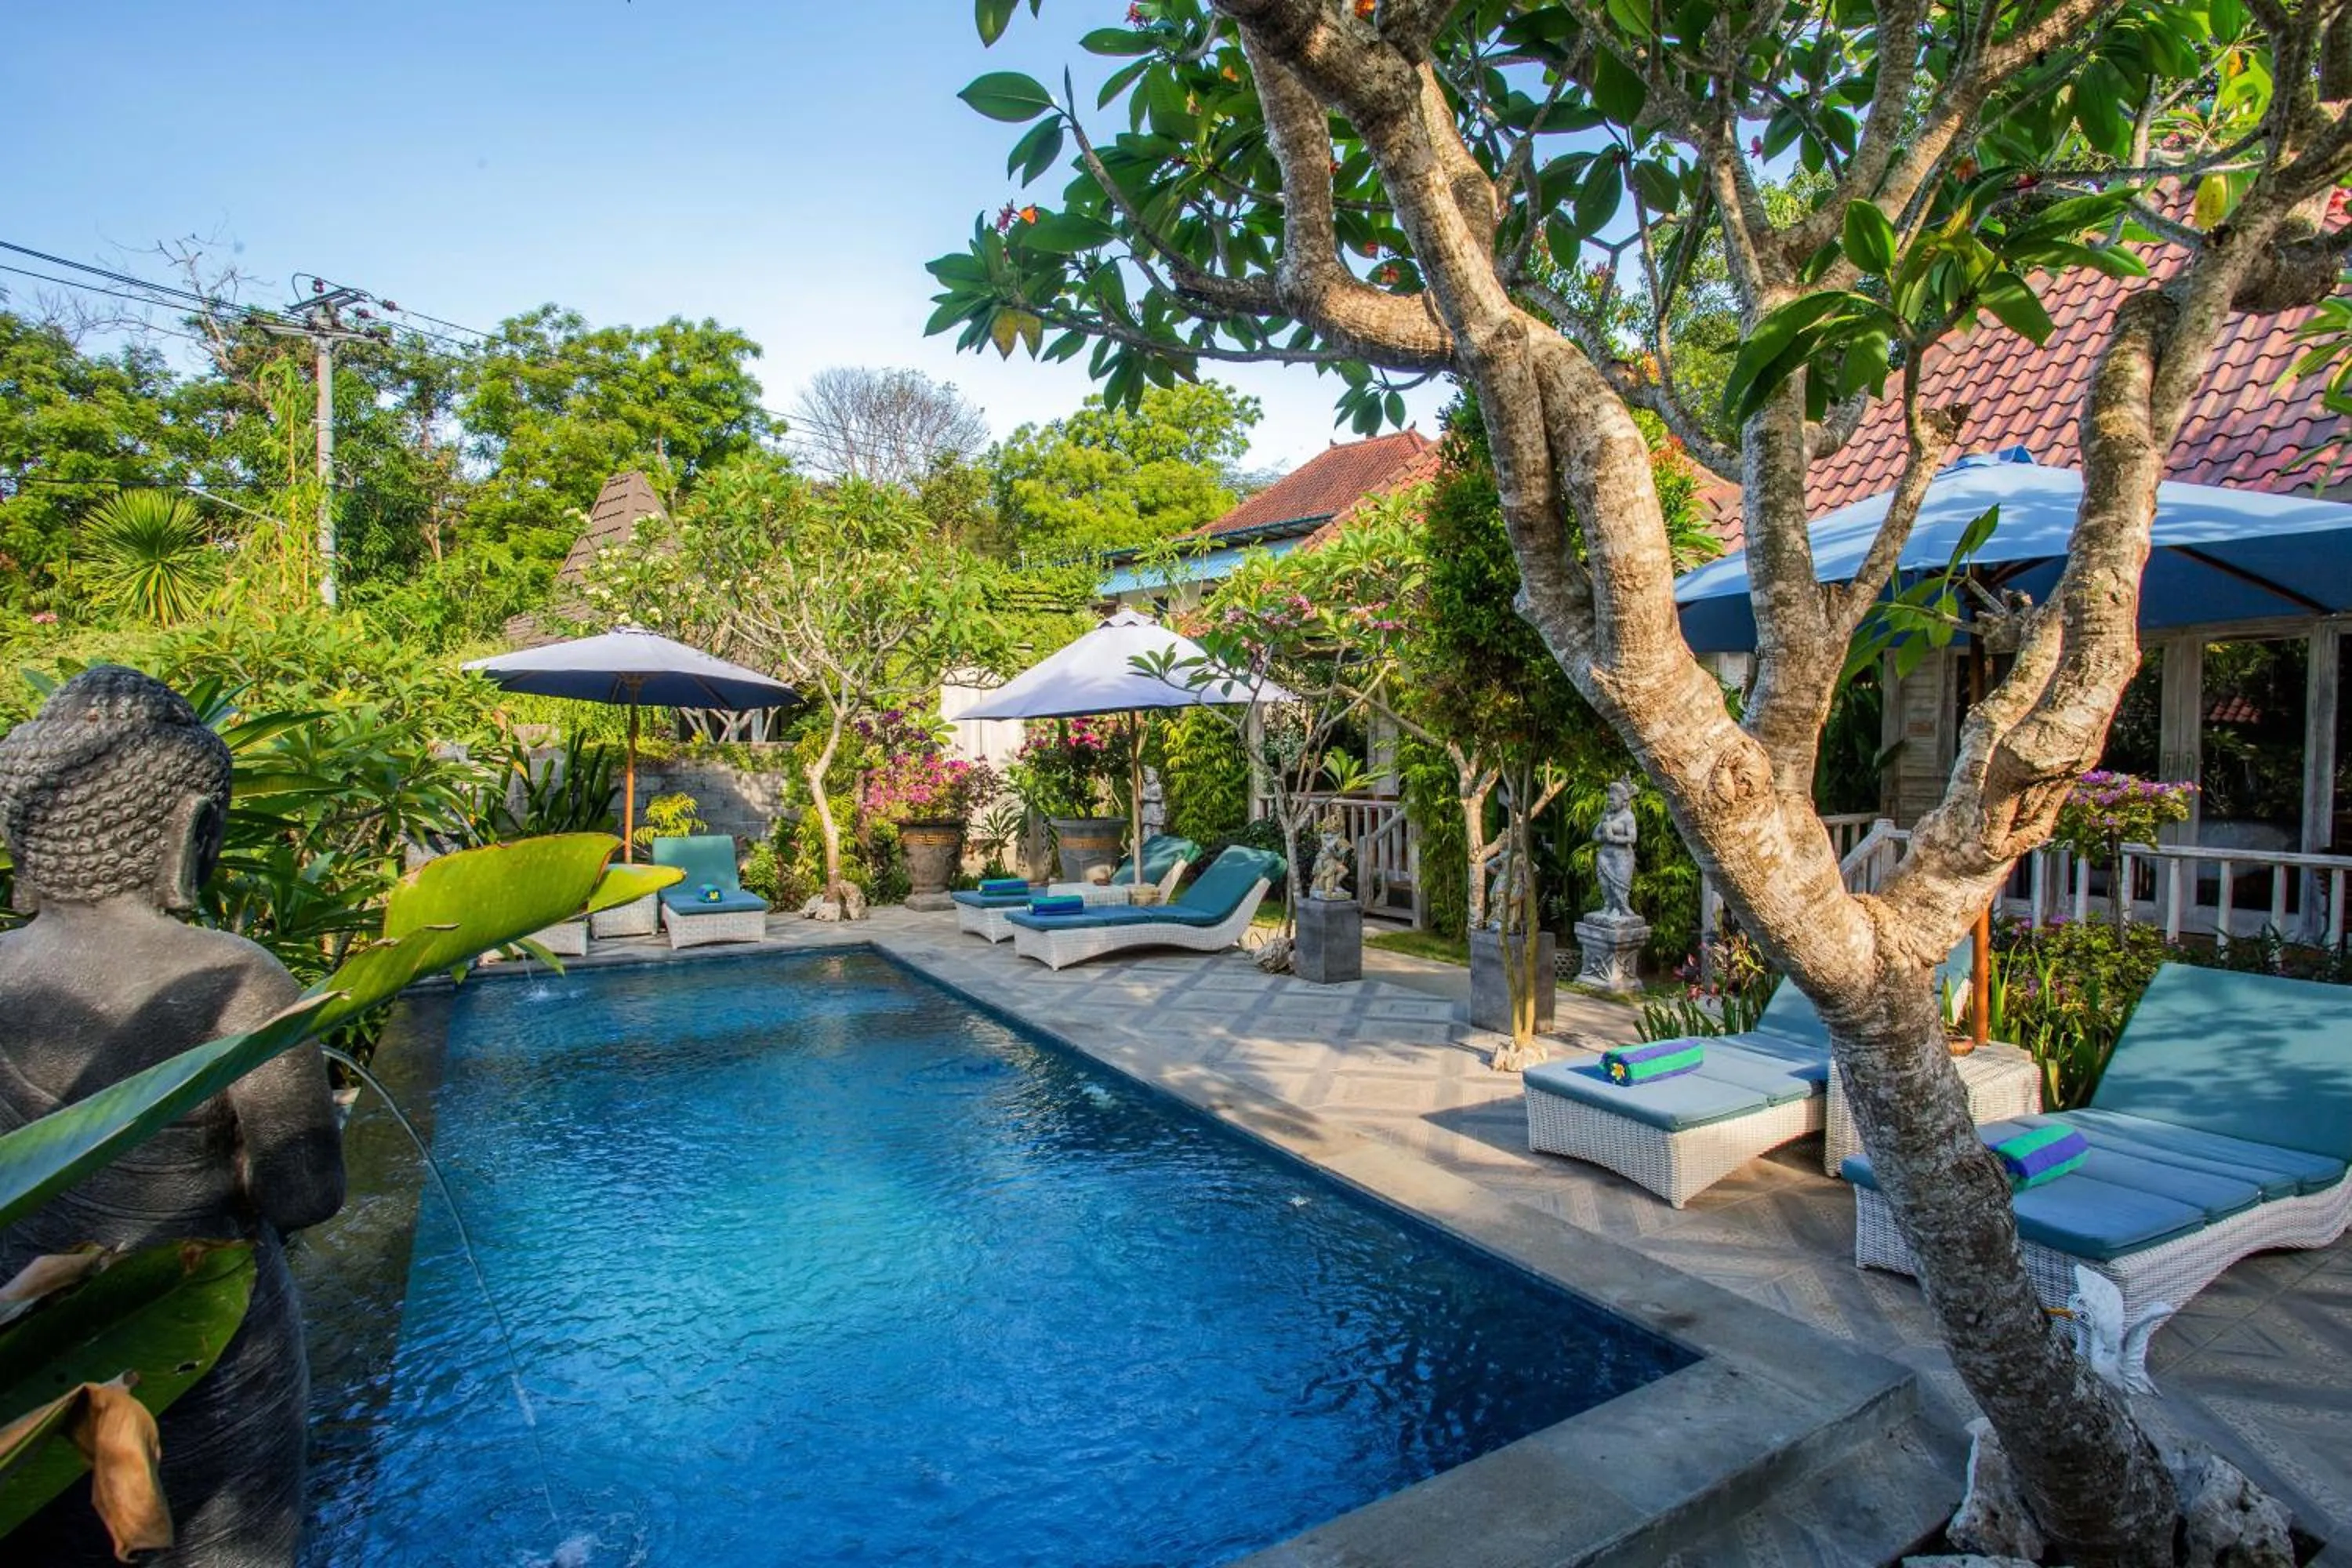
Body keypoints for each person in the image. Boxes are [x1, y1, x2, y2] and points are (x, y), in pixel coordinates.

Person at [0, 666, 345, 1566]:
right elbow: (305, 1192)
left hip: (32, 1352)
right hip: (208, 1340)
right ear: (191, 829)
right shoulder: (233, 975)